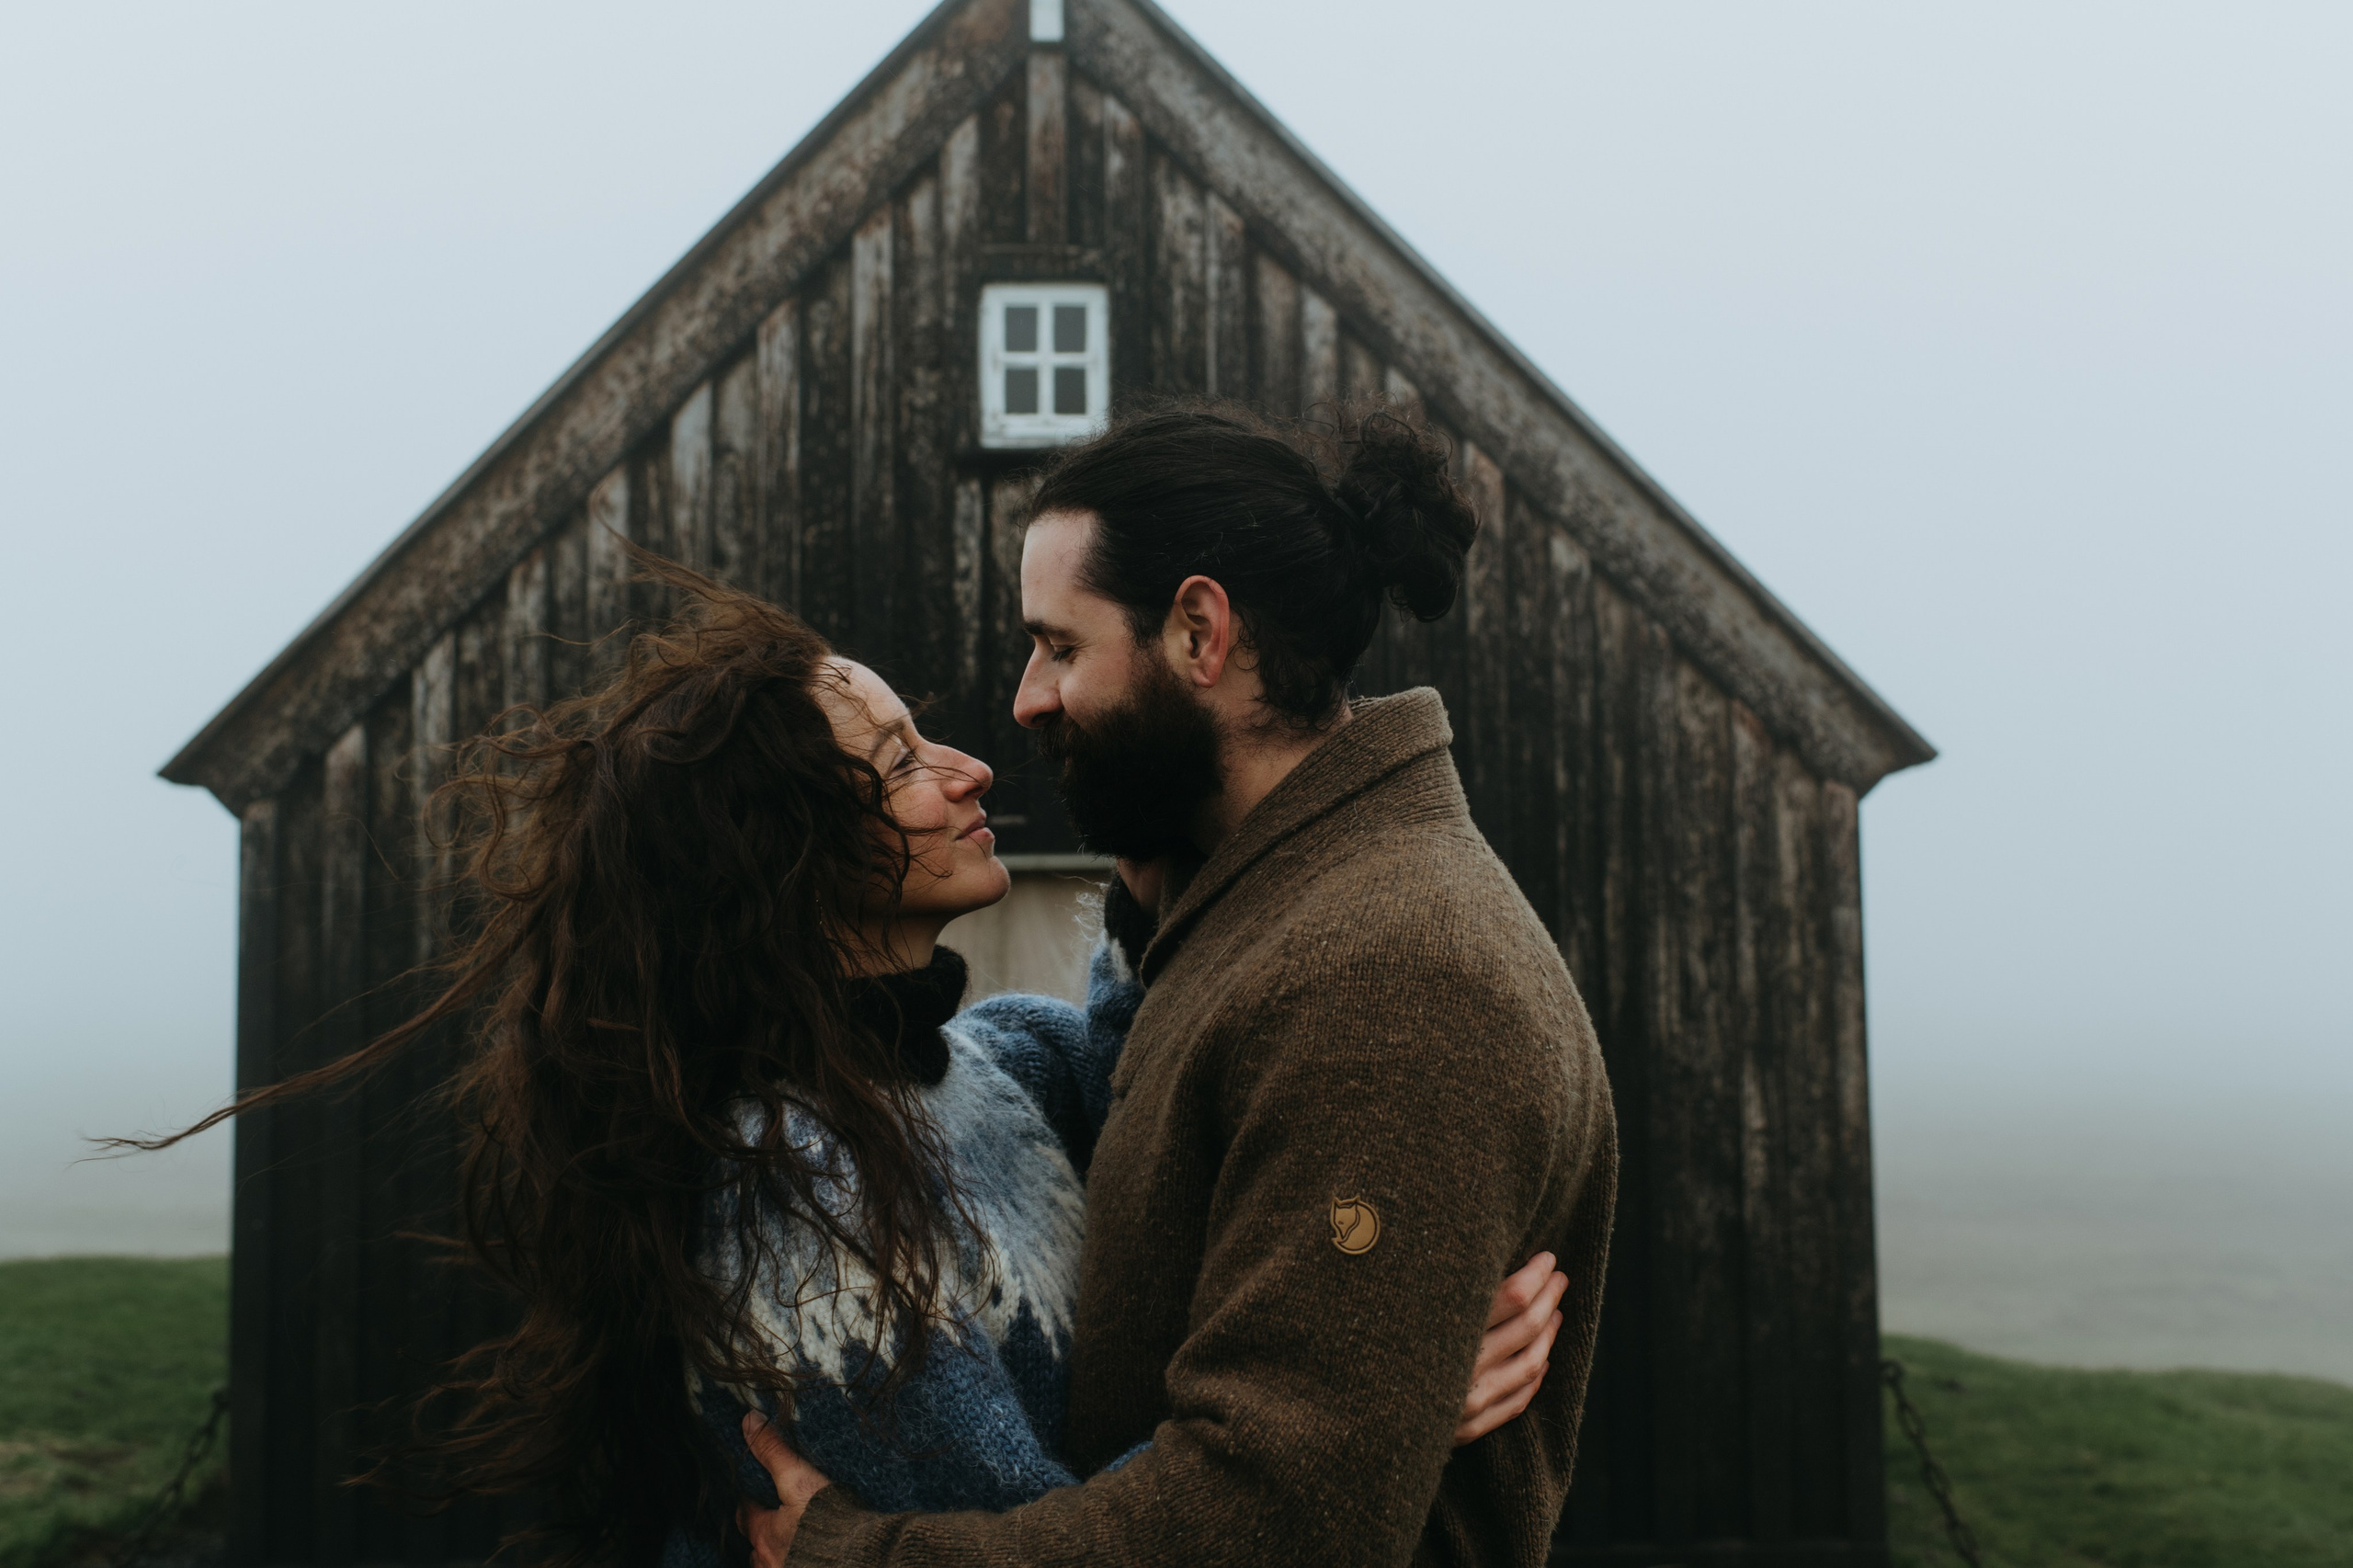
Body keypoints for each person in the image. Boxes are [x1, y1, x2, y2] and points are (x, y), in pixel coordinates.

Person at [132, 549, 1567, 1567]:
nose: (971, 766)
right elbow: (1005, 1541)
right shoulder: (797, 1196)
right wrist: (1368, 1423)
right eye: (897, 765)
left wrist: (1179, 795)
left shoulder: (984, 1064)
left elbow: (1160, 1061)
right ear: (787, 868)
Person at [735, 404, 1620, 1568]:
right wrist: (1385, 1378)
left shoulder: (1393, 975)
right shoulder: (1274, 916)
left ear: (1200, 632)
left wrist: (860, 1556)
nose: (1024, 699)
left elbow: (1279, 1521)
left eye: (1060, 645)